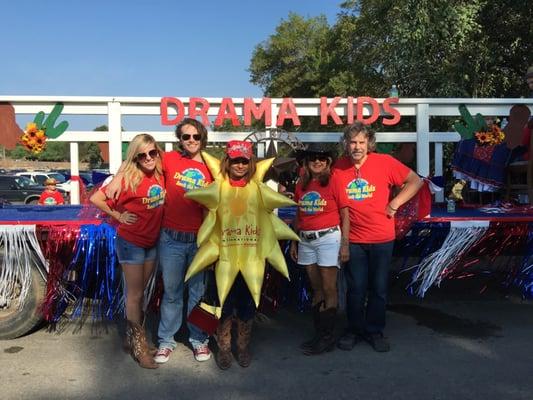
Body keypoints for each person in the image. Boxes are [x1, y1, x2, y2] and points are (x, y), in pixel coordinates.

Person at [106, 118, 213, 364]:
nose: (191, 141)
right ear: (180, 139)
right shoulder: (170, 159)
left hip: (200, 240)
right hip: (171, 239)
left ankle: (199, 340)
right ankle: (166, 340)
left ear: (203, 138)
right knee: (172, 293)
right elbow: (138, 153)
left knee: (198, 291)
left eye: (196, 137)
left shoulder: (212, 165)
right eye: (186, 137)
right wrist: (116, 177)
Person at [333, 122, 423, 352]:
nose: (357, 147)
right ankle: (354, 330)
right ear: (346, 143)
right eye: (353, 142)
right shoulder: (338, 167)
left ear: (369, 143)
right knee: (355, 289)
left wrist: (395, 203)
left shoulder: (385, 162)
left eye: (362, 142)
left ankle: (374, 331)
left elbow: (416, 181)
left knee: (379, 288)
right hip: (353, 239)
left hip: (382, 237)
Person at [90, 133, 165, 369]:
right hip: (130, 242)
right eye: (142, 155)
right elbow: (96, 199)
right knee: (133, 295)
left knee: (141, 293)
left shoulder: (161, 171)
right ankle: (139, 347)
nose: (148, 158)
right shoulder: (128, 177)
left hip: (151, 242)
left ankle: (131, 339)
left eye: (152, 152)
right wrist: (118, 215)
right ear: (135, 157)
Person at [289, 143, 350, 355]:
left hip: (328, 238)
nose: (317, 161)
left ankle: (327, 336)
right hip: (306, 239)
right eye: (313, 157)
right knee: (316, 288)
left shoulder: (335, 181)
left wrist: (345, 244)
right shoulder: (301, 185)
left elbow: (345, 214)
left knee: (329, 287)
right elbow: (299, 215)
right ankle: (319, 333)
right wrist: (294, 241)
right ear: (306, 161)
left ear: (328, 162)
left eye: (322, 158)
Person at [210, 140, 259, 370]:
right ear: (227, 162)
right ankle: (224, 349)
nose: (240, 165)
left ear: (250, 164)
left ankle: (243, 346)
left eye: (244, 161)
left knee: (247, 304)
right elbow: (209, 223)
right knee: (224, 303)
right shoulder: (217, 187)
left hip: (251, 257)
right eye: (236, 160)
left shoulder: (258, 188)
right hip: (225, 258)